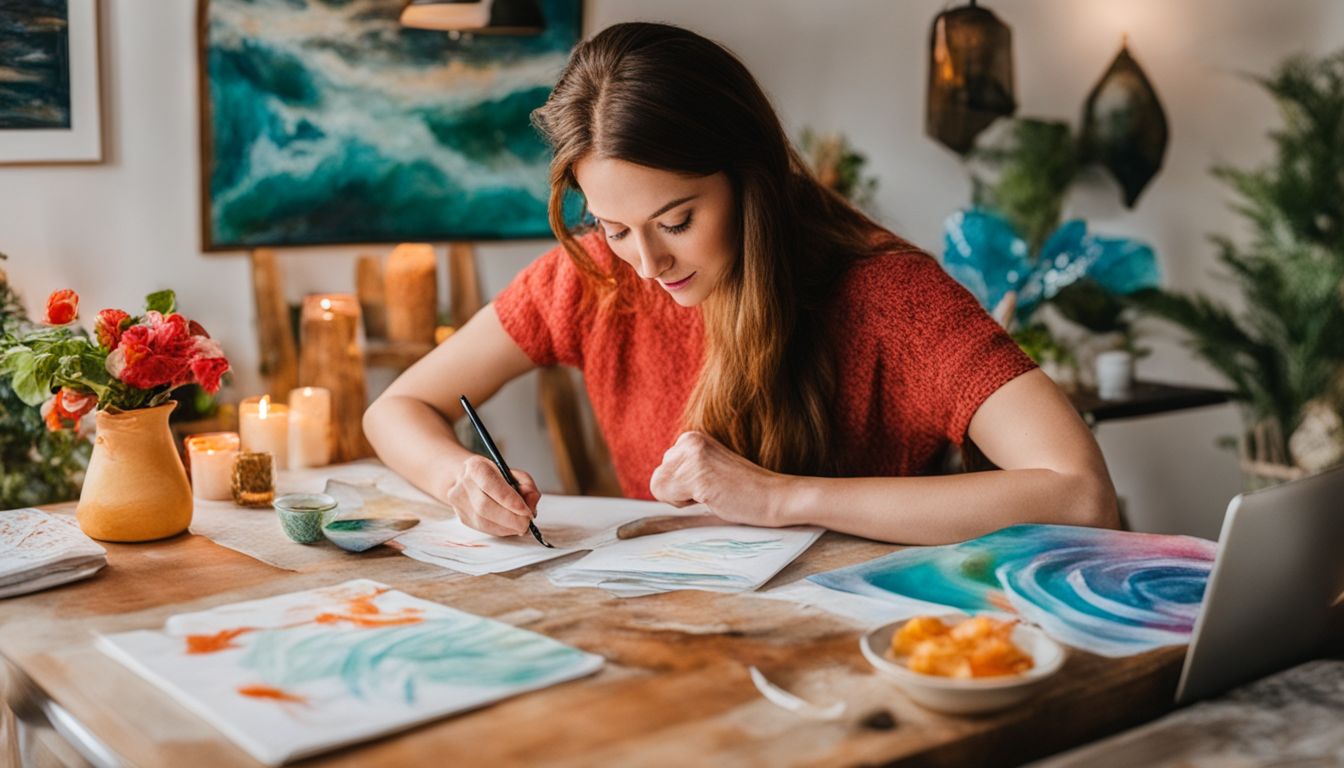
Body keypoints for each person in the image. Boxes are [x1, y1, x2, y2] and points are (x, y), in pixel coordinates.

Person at [363, 22, 1119, 545]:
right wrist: (459, 475)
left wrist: (781, 497)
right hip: (684, 638)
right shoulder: (593, 277)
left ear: (748, 179)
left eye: (678, 218)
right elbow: (398, 408)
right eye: (615, 227)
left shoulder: (889, 295)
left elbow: (1079, 493)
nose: (648, 266)